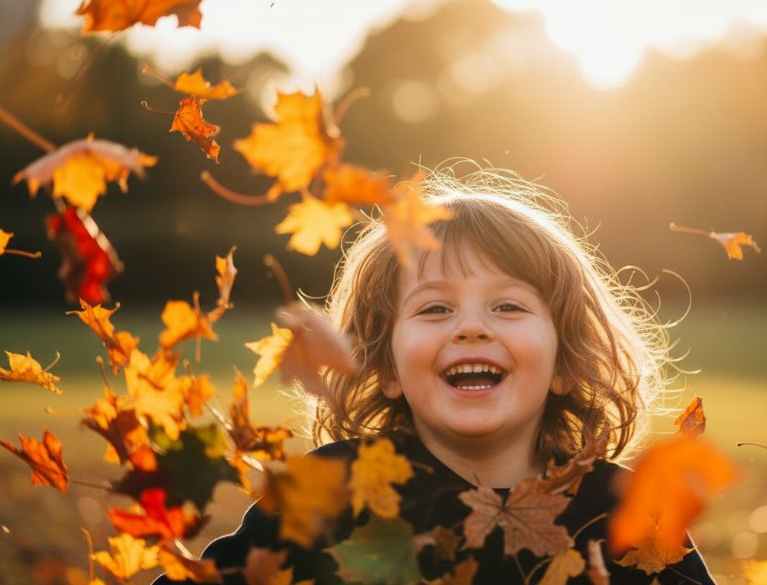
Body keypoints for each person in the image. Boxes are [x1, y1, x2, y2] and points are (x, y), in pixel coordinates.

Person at [155, 164, 715, 584]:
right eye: (434, 309)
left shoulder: (629, 510)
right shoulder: (329, 493)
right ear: (388, 367)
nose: (471, 328)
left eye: (509, 307)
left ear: (565, 363)